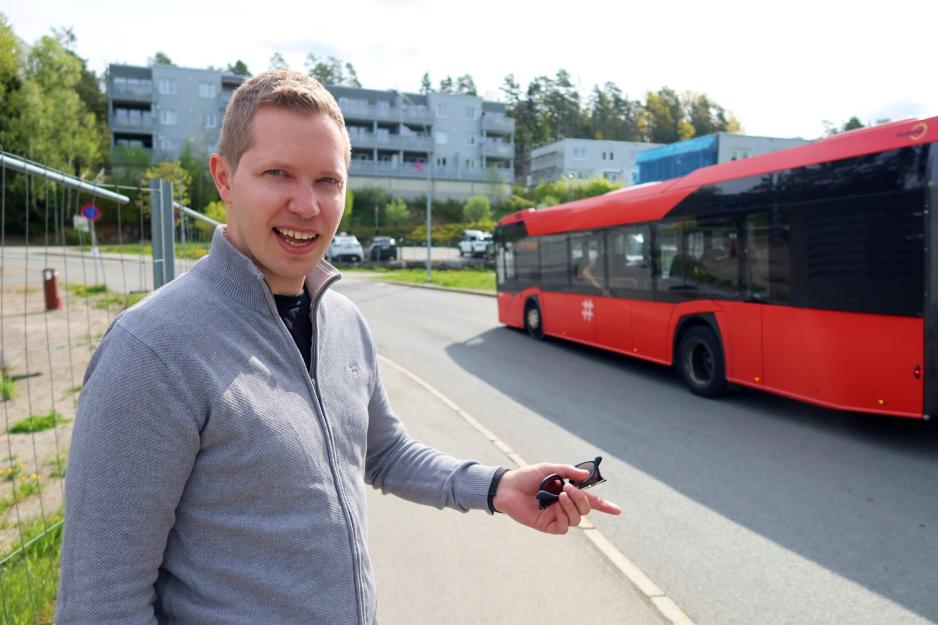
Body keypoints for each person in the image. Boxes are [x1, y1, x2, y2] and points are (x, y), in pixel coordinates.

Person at [55, 69, 620, 625]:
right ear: (224, 178)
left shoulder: (343, 320)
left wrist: (497, 487)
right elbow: (100, 605)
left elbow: (384, 453)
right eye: (279, 173)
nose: (308, 205)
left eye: (328, 180)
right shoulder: (151, 351)